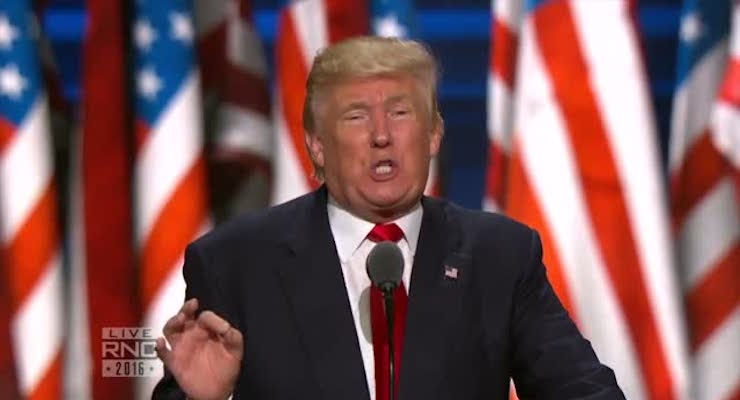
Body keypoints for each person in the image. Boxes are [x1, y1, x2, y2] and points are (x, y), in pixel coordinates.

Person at [152, 36, 624, 400]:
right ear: (317, 144)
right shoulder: (237, 262)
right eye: (356, 117)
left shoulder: (500, 256)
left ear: (434, 133)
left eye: (400, 112)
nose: (382, 135)